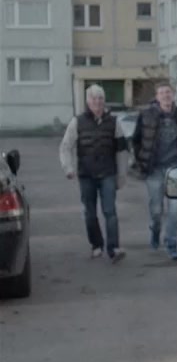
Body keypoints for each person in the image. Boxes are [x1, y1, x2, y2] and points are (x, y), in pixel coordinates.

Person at [59, 85, 130, 263]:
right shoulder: (77, 122)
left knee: (110, 211)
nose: (97, 102)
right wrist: (68, 167)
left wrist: (122, 175)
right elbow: (66, 146)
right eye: (93, 98)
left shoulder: (114, 122)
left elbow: (122, 150)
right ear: (88, 101)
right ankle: (96, 245)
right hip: (87, 175)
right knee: (90, 213)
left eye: (100, 98)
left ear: (104, 101)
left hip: (108, 173)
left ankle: (114, 248)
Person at [130, 83, 177, 261]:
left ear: (173, 95)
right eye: (162, 93)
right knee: (157, 210)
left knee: (175, 210)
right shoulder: (146, 115)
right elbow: (136, 140)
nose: (166, 95)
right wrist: (141, 160)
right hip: (155, 169)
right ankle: (155, 230)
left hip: (176, 169)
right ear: (157, 97)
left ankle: (171, 243)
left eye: (168, 92)